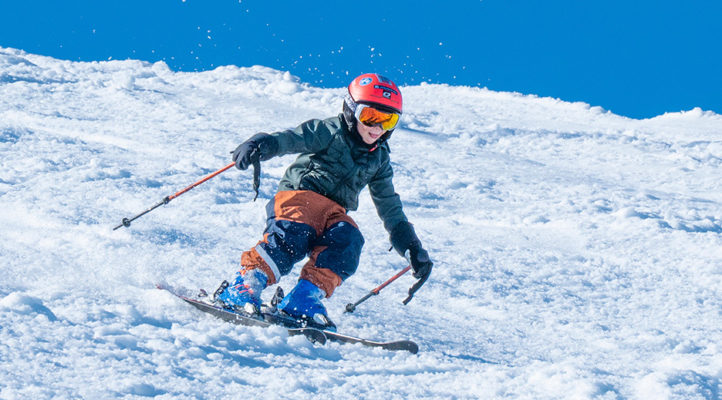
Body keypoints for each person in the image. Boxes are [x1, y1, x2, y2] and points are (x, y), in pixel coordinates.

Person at [214, 73, 433, 330]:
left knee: (348, 239)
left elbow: (389, 205)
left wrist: (411, 246)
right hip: (298, 199)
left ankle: (303, 299)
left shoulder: (380, 159)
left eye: (388, 120)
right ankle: (246, 285)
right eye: (370, 116)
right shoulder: (330, 131)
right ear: (351, 111)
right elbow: (292, 139)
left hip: (333, 213)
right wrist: (262, 144)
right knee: (293, 234)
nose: (377, 128)